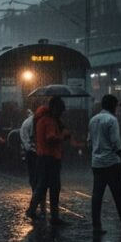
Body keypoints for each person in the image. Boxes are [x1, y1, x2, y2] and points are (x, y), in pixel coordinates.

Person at [88, 94, 121, 234]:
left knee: (97, 195)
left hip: (97, 164)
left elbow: (89, 143)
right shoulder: (112, 120)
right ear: (112, 106)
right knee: (119, 195)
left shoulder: (93, 120)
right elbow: (117, 145)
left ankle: (96, 226)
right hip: (112, 164)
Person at [26, 96, 71, 225]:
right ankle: (54, 216)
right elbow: (51, 138)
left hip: (41, 157)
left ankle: (32, 209)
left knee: (41, 186)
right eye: (60, 111)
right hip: (50, 158)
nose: (61, 113)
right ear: (55, 109)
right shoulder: (49, 121)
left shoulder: (40, 119)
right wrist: (63, 136)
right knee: (54, 188)